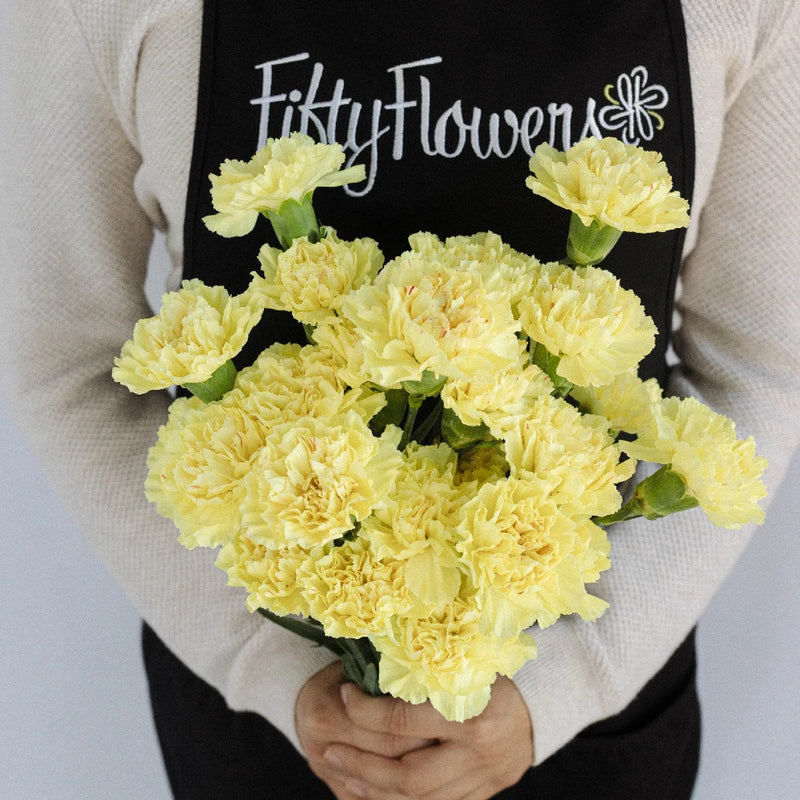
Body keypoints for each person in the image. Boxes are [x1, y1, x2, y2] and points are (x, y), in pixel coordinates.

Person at [1, 1, 798, 798]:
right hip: (270, 724)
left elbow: (761, 368)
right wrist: (271, 667)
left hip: (589, 713)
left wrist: (562, 686)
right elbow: (62, 358)